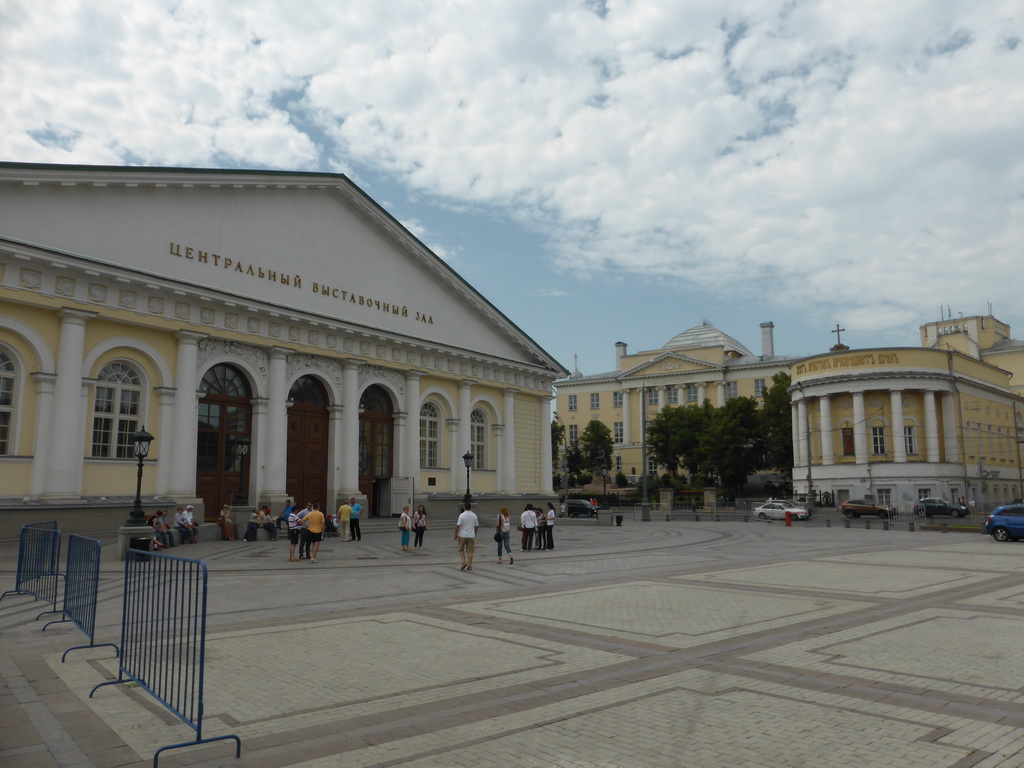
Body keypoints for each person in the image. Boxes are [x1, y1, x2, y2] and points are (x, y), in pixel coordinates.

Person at [454, 502, 480, 571]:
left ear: (464, 507)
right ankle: (470, 565)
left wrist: (455, 534)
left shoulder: (462, 515)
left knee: (460, 549)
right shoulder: (474, 515)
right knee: (470, 551)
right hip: (471, 535)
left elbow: (458, 526)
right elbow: (477, 526)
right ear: (470, 507)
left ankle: (464, 562)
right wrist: (474, 533)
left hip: (462, 534)